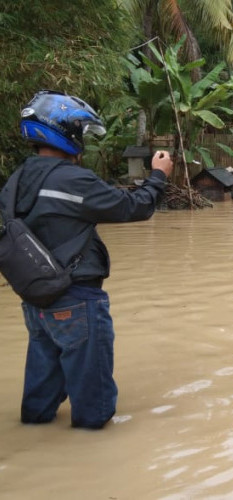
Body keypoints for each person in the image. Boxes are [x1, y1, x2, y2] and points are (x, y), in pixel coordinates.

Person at [0, 90, 173, 429]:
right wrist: (159, 175)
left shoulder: (16, 180)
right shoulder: (72, 178)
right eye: (79, 131)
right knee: (94, 409)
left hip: (36, 300)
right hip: (76, 298)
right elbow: (134, 207)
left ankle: (37, 441)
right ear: (64, 132)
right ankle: (93, 454)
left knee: (40, 393)